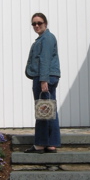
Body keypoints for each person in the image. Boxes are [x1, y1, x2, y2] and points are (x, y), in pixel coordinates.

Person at [24, 13, 61, 153]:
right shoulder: (44, 38)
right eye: (34, 24)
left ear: (45, 23)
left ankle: (40, 144)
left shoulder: (46, 38)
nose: (36, 26)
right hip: (47, 76)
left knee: (43, 110)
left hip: (44, 77)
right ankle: (51, 144)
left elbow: (44, 59)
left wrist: (43, 79)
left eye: (39, 22)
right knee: (49, 110)